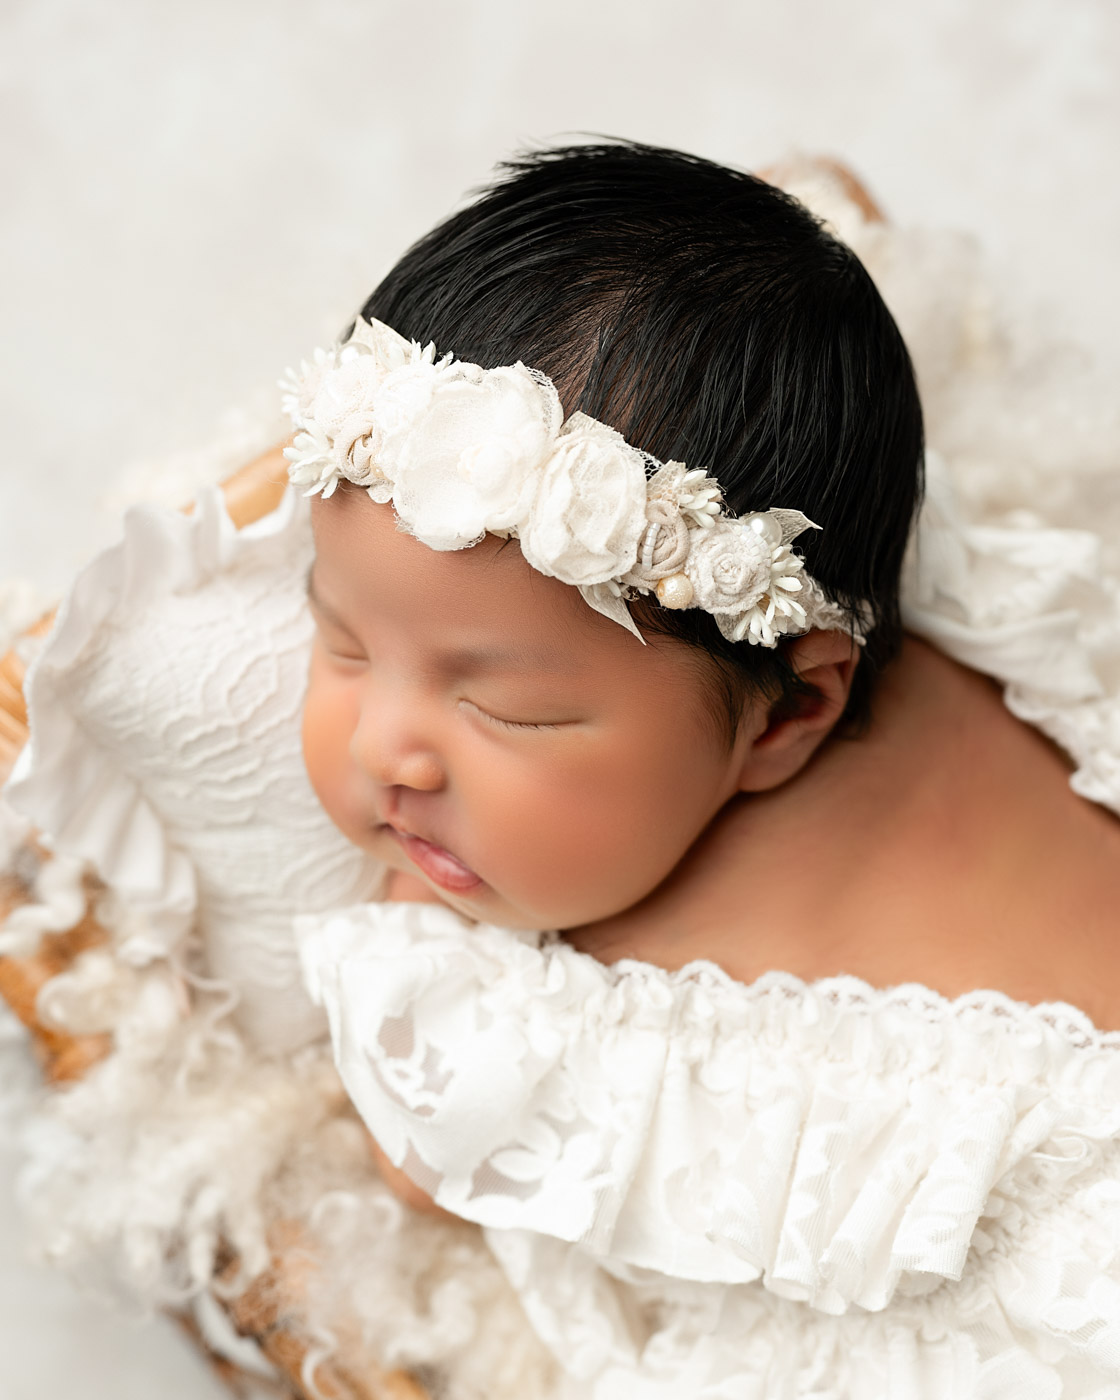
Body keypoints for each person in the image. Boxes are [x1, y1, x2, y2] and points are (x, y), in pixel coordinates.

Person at [6, 141, 1120, 1398]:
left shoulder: (542, 1029)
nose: (385, 751)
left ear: (789, 711)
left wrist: (422, 906)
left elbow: (418, 1159)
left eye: (511, 711)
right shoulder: (970, 638)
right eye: (340, 638)